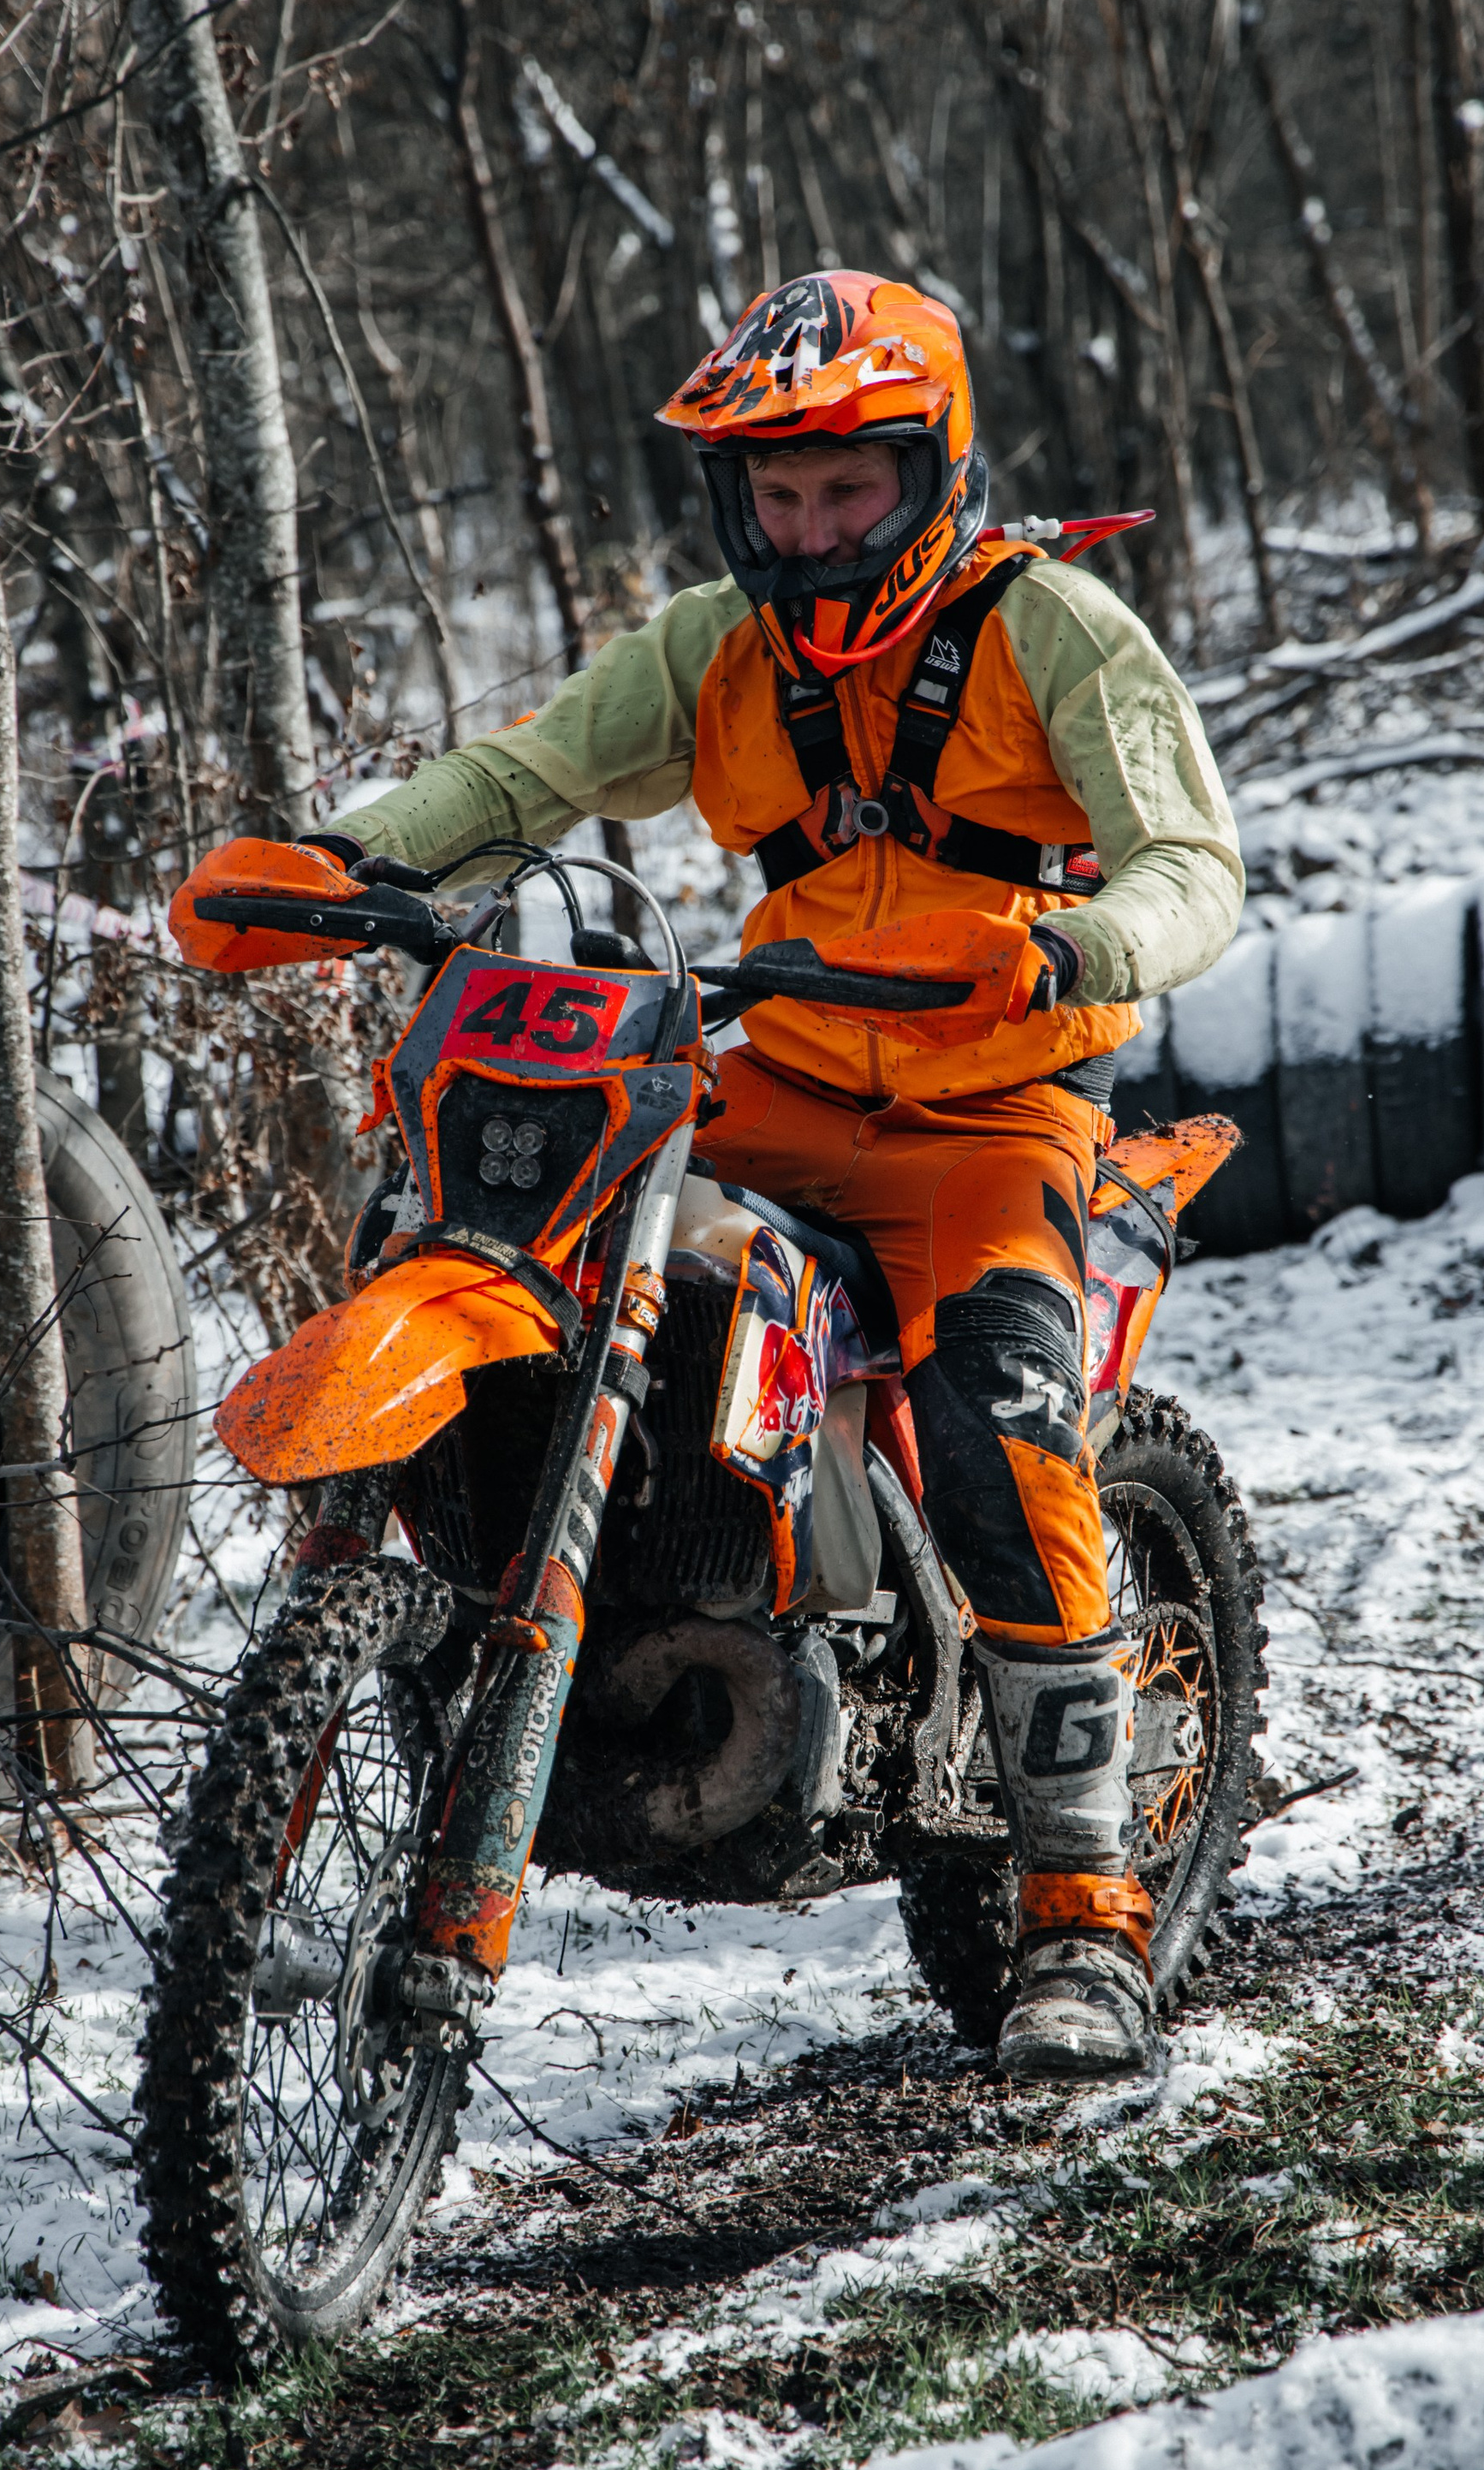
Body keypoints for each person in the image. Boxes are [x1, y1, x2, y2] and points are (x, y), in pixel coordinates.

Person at [311, 270, 1244, 2081]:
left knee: (1000, 1418)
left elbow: (1192, 862)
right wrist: (339, 859)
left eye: (848, 488)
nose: (810, 529)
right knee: (540, 1240)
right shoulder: (712, 650)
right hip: (777, 1080)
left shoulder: (1053, 628)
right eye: (779, 493)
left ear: (932, 471)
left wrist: (1071, 945)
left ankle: (1083, 1908)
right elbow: (528, 773)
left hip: (993, 1114)